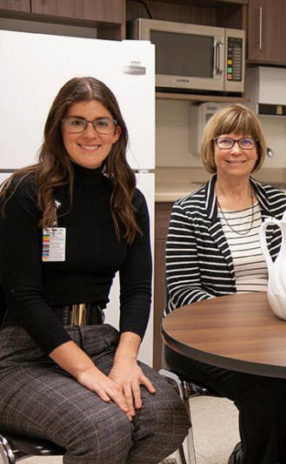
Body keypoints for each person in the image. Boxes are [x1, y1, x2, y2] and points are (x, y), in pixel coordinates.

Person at [0, 77, 189, 463]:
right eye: (77, 122)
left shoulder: (128, 200)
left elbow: (138, 290)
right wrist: (86, 372)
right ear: (58, 128)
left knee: (166, 416)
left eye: (102, 123)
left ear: (116, 132)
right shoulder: (25, 191)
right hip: (21, 352)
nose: (90, 134)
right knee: (103, 427)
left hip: (99, 339)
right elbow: (24, 297)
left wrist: (124, 360)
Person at [164, 103, 286, 464]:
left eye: (246, 142)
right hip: (205, 340)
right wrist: (245, 319)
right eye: (226, 141)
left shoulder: (279, 204)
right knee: (267, 389)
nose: (236, 150)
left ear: (258, 150)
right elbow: (182, 289)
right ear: (211, 148)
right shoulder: (189, 210)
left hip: (274, 335)